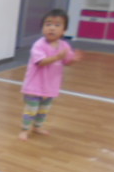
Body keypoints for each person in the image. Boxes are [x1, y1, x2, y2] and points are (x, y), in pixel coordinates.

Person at [19, 8, 83, 141]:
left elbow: (66, 62)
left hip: (50, 86)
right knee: (31, 110)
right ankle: (25, 130)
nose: (52, 28)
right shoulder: (38, 45)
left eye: (57, 25)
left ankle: (37, 127)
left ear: (64, 30)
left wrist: (73, 60)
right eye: (48, 24)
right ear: (42, 28)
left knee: (43, 110)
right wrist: (57, 57)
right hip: (34, 86)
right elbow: (41, 62)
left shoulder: (64, 46)